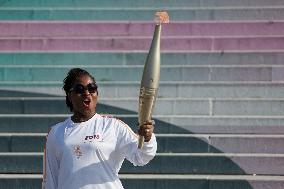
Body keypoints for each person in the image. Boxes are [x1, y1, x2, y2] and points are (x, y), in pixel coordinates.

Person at [42, 68, 157, 189]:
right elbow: (50, 179)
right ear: (70, 96)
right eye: (80, 89)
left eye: (92, 88)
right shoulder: (56, 132)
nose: (87, 93)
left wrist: (148, 139)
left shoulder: (113, 126)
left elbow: (141, 157)